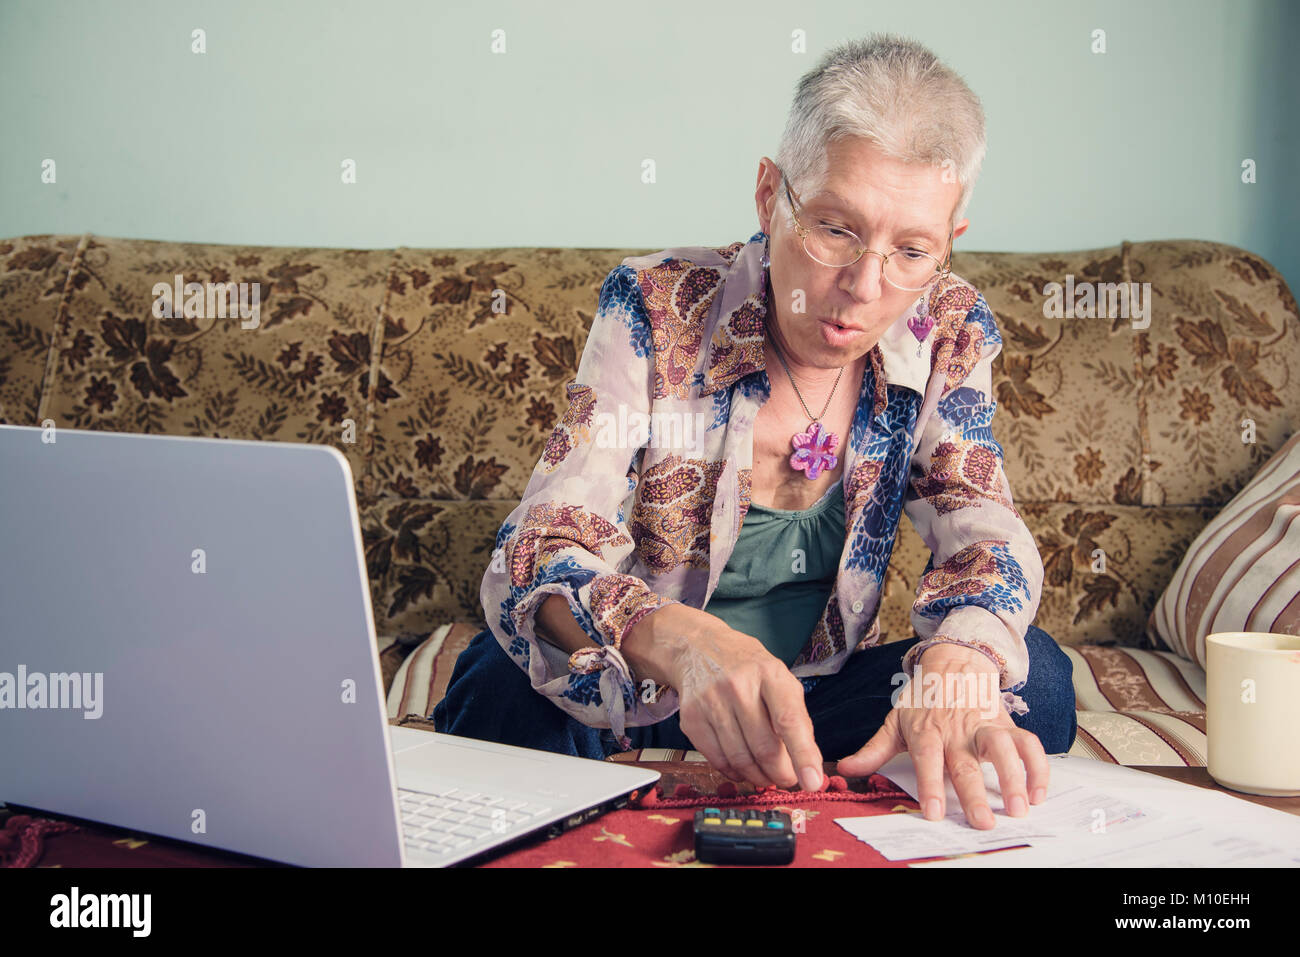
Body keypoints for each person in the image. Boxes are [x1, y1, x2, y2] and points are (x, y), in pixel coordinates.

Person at [434, 34, 1077, 830]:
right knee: (496, 685)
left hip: (812, 698)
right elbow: (536, 551)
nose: (865, 289)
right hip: (638, 685)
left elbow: (985, 529)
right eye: (836, 230)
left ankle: (831, 779)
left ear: (950, 241)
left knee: (1035, 682)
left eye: (913, 249)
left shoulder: (946, 325)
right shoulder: (654, 306)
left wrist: (961, 656)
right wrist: (683, 642)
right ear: (770, 193)